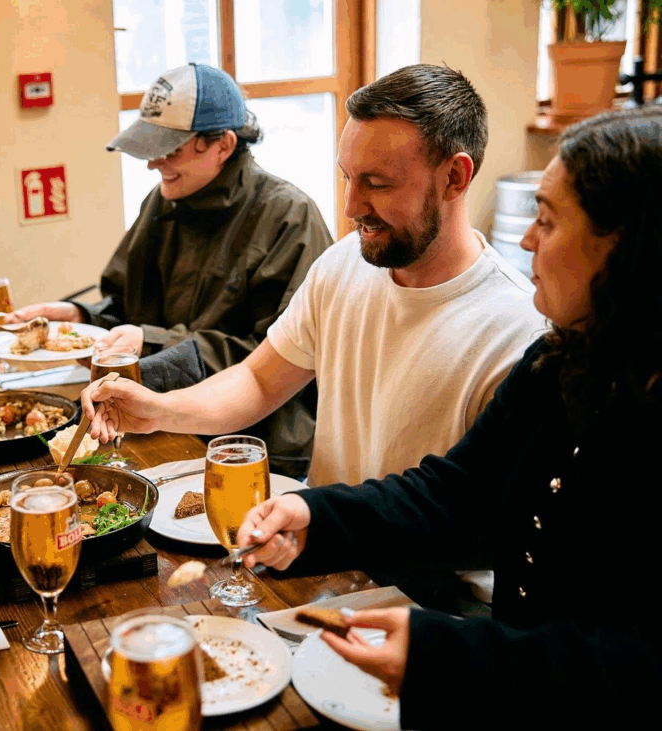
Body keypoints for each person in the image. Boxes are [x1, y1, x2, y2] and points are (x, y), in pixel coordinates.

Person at [230, 108, 662, 729]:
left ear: (628, 247)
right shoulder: (561, 361)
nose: (527, 240)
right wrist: (316, 517)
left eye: (547, 219)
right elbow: (457, 493)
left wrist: (445, 651)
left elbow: (638, 664)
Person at [82, 64, 548, 612]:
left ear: (455, 178)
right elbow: (259, 380)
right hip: (312, 563)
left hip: (423, 605)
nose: (350, 207)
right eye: (348, 176)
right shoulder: (343, 264)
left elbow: (476, 523)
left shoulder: (515, 329)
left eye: (377, 183)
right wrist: (160, 410)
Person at [5, 63, 333, 478]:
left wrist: (152, 341)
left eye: (170, 150)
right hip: (155, 420)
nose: (152, 165)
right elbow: (127, 307)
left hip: (256, 445)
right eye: (149, 149)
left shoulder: (289, 216)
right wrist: (82, 318)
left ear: (224, 145)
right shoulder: (164, 201)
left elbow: (276, 359)